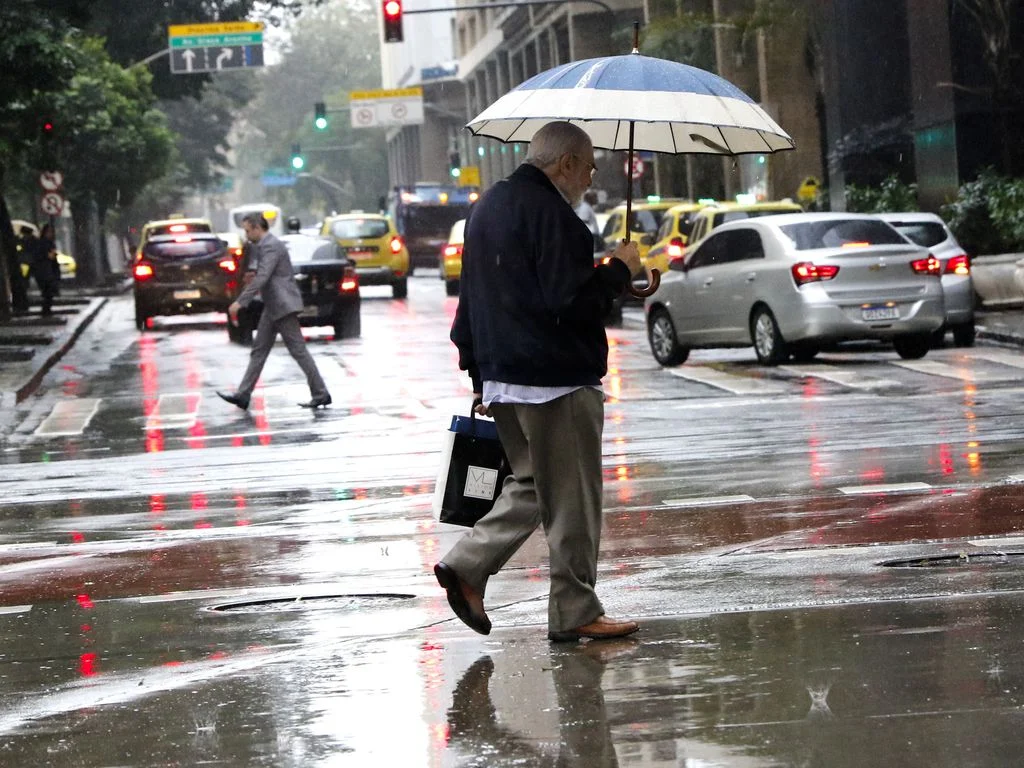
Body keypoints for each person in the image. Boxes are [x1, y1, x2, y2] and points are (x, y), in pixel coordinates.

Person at [433, 121, 643, 642]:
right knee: (572, 500)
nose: (590, 178)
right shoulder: (560, 220)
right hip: (557, 383)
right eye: (590, 166)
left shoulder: (484, 211)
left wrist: (480, 373)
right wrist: (618, 271)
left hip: (505, 380)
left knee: (531, 485)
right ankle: (573, 609)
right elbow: (569, 305)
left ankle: (468, 565)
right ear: (566, 163)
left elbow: (472, 303)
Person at [216, 213, 331, 411]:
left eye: (247, 230)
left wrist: (241, 302)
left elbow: (263, 277)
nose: (246, 234)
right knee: (259, 351)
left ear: (256, 228)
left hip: (282, 305)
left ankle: (321, 393)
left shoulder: (270, 245)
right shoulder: (264, 246)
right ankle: (243, 395)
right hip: (274, 306)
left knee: (298, 351)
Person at [30, 223, 60, 316]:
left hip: (47, 271)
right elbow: (47, 256)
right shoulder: (43, 243)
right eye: (49, 232)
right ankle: (46, 311)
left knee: (48, 292)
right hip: (45, 271)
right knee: (48, 292)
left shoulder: (46, 243)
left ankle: (46, 310)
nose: (51, 234)